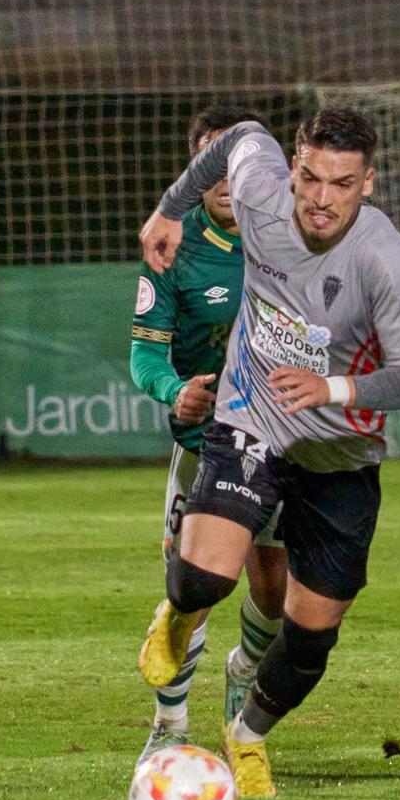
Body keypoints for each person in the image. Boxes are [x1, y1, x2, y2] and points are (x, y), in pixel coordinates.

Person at [136, 108, 400, 798]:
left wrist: (334, 386)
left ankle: (245, 737)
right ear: (295, 166)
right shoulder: (260, 193)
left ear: (368, 182)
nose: (320, 197)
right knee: (205, 578)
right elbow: (241, 137)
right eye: (310, 176)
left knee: (307, 640)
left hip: (340, 453)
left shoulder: (383, 258)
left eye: (341, 182)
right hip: (254, 419)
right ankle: (179, 613)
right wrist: (169, 210)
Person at [129, 107, 289, 762]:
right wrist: (176, 391)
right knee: (190, 586)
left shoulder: (286, 235)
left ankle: (244, 672)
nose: (225, 176)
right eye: (210, 162)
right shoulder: (174, 248)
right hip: (203, 447)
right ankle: (169, 725)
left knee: (274, 590)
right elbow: (145, 356)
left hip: (276, 442)